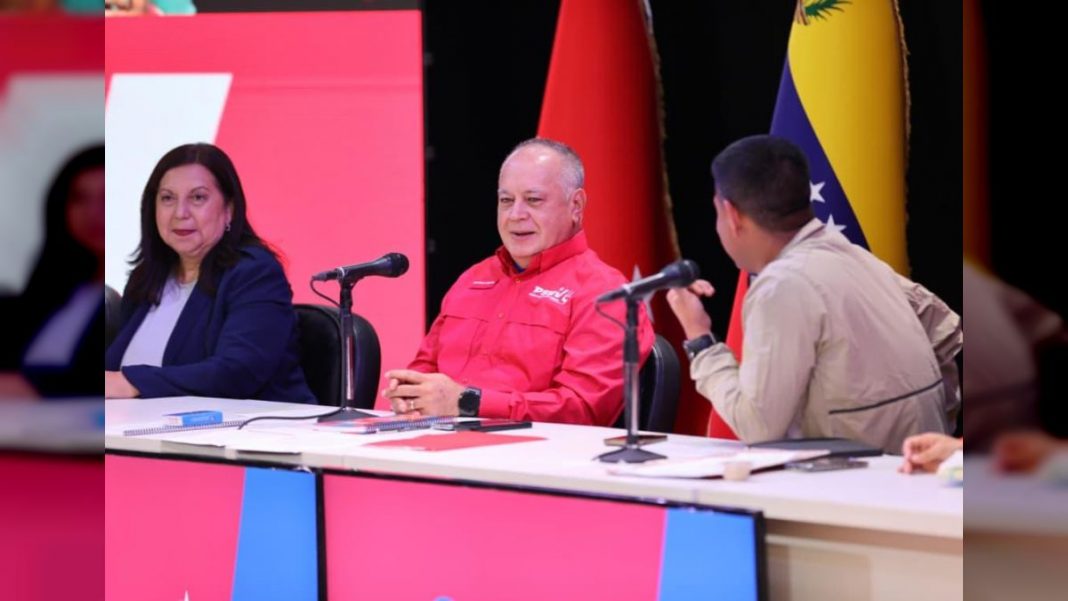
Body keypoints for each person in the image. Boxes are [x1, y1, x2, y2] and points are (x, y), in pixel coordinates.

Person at [666, 135, 962, 452]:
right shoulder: (852, 255)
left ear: (732, 215)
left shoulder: (781, 286)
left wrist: (701, 339)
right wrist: (932, 434)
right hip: (920, 466)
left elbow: (757, 426)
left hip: (860, 476)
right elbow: (945, 335)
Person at [382, 138, 653, 425]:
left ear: (576, 205)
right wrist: (410, 393)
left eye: (533, 200)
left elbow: (583, 409)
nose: (515, 215)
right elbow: (424, 368)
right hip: (436, 442)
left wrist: (468, 402)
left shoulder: (604, 292)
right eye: (506, 200)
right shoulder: (473, 279)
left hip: (534, 449)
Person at [104, 143, 314, 403]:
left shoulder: (255, 273)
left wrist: (131, 382)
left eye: (197, 198)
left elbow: (238, 373)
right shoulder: (147, 278)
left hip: (252, 425)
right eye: (168, 198)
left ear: (229, 210)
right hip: (141, 425)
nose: (180, 213)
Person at [0, 145, 104, 397]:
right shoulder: (51, 290)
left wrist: (34, 389)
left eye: (106, 198)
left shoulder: (143, 297)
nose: (93, 213)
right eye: (80, 198)